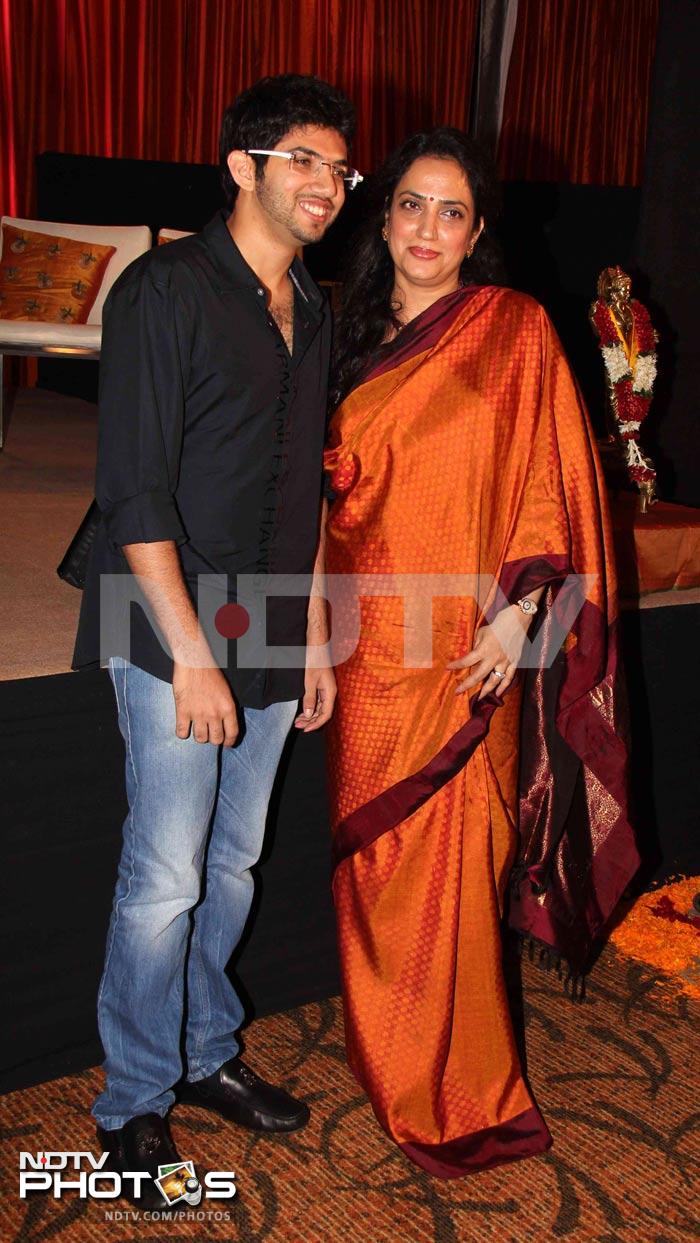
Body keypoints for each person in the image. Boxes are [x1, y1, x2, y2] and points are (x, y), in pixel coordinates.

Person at [324, 128, 639, 1178]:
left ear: (478, 229)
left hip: (469, 645)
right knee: (374, 869)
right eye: (410, 204)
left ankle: (463, 1089)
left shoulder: (512, 331)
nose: (426, 228)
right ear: (384, 215)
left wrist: (519, 621)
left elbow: (553, 480)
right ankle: (389, 1059)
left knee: (458, 870)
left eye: (450, 211)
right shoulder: (342, 328)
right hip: (366, 645)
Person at [72, 73, 359, 1205]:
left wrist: (318, 638)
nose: (326, 184)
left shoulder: (317, 308)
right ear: (241, 166)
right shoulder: (164, 290)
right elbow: (133, 492)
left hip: (274, 617)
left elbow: (311, 494)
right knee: (164, 875)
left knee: (231, 863)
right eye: (303, 160)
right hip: (164, 612)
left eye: (340, 168)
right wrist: (190, 651)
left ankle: (201, 1052)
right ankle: (132, 1098)